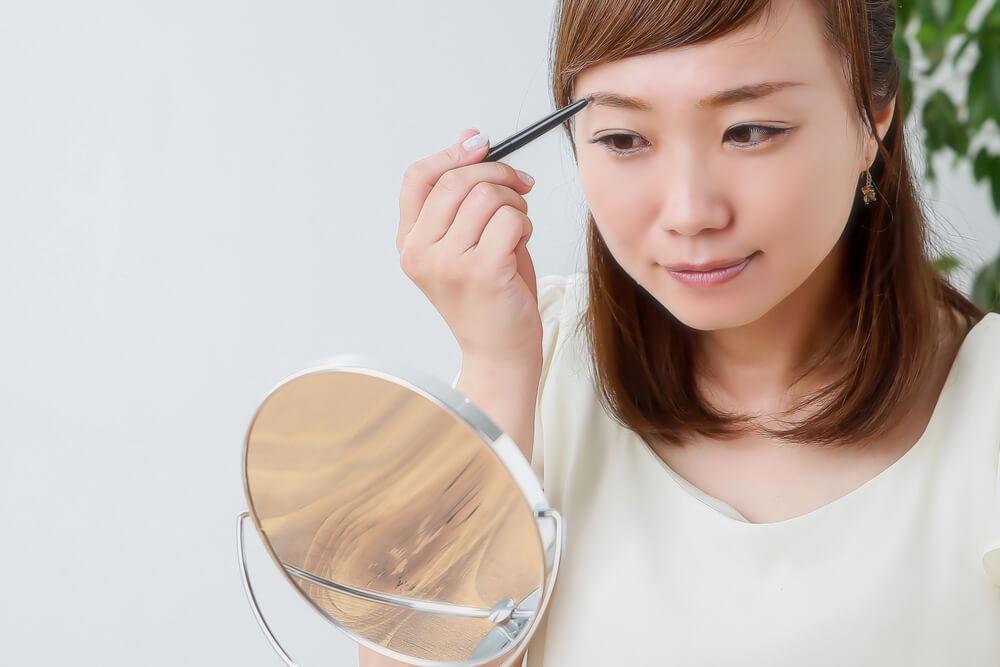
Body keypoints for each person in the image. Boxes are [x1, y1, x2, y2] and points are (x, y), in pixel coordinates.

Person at [374, 0, 1000, 664]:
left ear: (873, 113)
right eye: (623, 139)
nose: (689, 211)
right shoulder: (539, 361)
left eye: (750, 130)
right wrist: (495, 365)